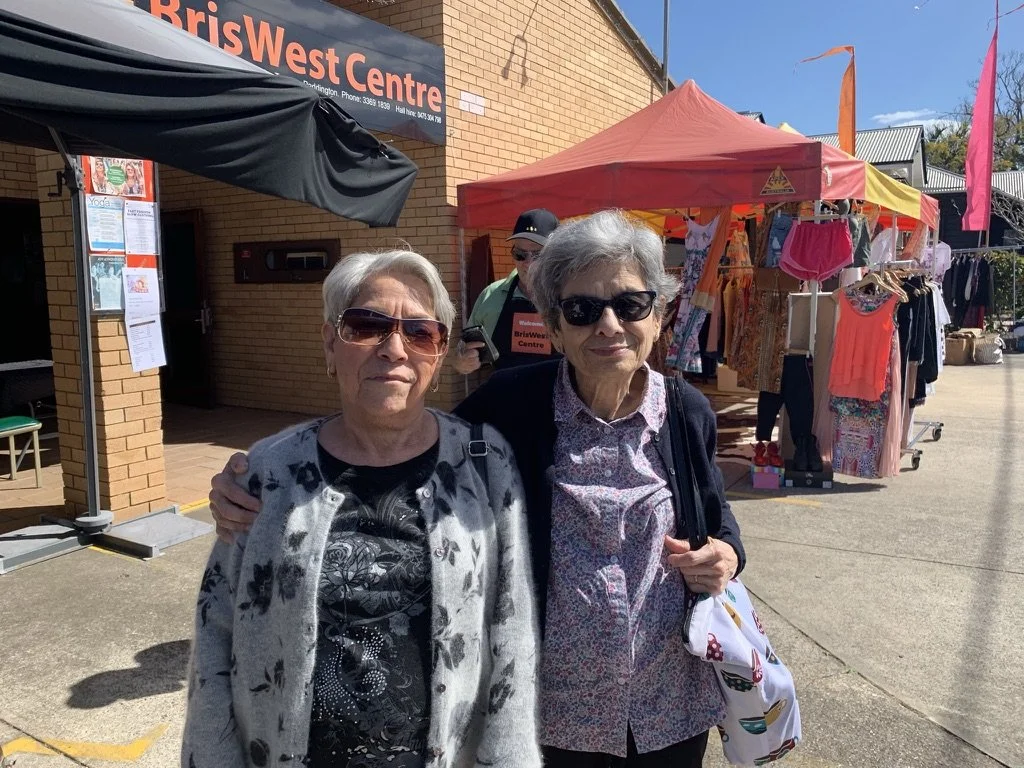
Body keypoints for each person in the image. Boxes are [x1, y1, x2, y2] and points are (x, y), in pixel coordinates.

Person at [210, 211, 746, 767]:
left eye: (630, 305)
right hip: (552, 719)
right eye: (582, 311)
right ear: (555, 330)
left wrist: (725, 554)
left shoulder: (686, 413)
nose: (608, 326)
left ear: (658, 316)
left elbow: (716, 516)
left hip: (668, 710)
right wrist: (270, 482)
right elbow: (400, 447)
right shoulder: (512, 405)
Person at [183, 250, 542, 768]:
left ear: (439, 354)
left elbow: (513, 632)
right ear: (330, 344)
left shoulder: (482, 464)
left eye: (420, 333)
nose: (394, 349)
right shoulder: (269, 472)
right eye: (367, 326)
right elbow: (217, 631)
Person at [452, 208, 562, 372]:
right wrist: (462, 361)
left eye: (537, 254)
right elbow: (463, 354)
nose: (527, 263)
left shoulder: (571, 295)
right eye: (520, 254)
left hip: (558, 395)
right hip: (506, 394)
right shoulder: (491, 295)